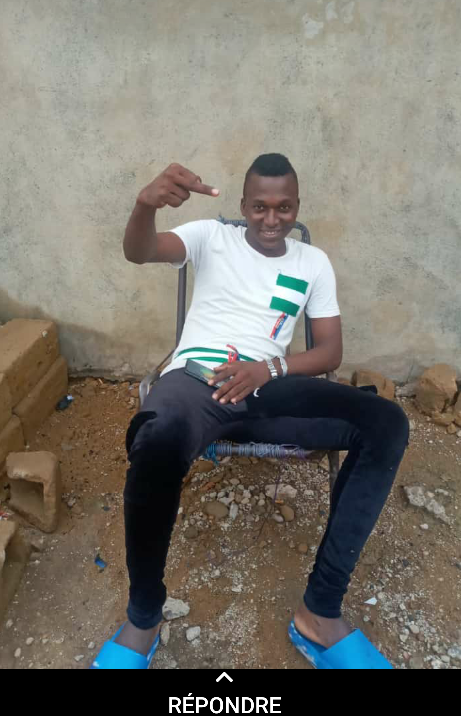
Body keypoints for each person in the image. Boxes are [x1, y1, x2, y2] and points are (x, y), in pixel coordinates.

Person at [92, 154, 409, 670]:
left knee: (385, 423)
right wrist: (144, 206)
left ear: (297, 207)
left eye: (284, 208)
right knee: (159, 437)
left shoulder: (313, 263)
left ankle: (320, 613)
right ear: (243, 205)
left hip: (271, 389)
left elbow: (329, 352)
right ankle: (143, 618)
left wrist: (269, 368)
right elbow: (140, 251)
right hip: (199, 381)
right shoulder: (209, 237)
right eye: (260, 207)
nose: (271, 219)